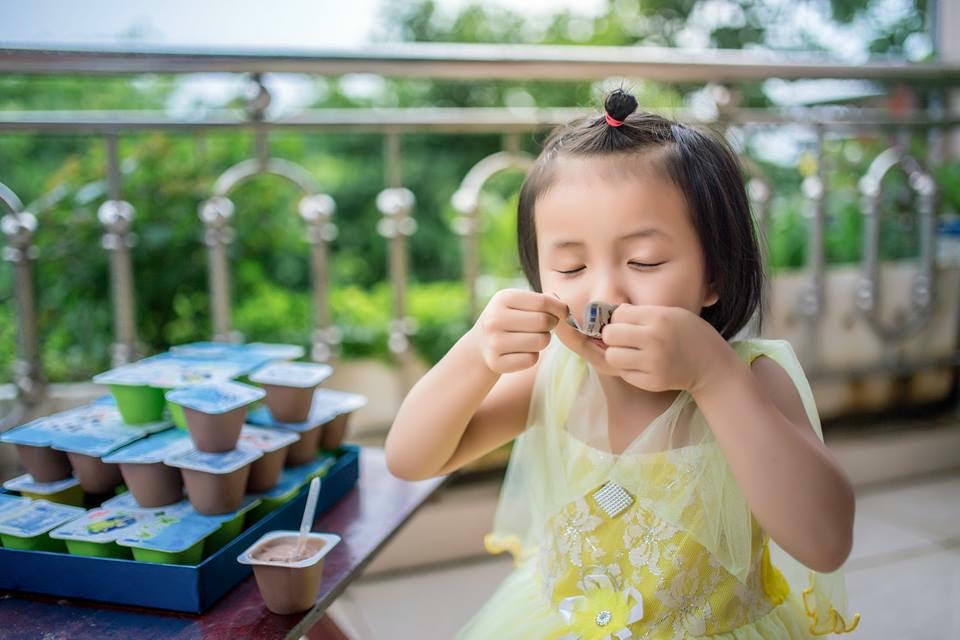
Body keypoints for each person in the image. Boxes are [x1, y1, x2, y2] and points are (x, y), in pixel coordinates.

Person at [386, 88, 860, 639]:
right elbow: (410, 459)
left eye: (644, 261)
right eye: (570, 267)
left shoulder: (750, 378)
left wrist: (714, 376)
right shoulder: (552, 374)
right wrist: (474, 354)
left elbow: (825, 543)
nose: (604, 295)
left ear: (715, 274)